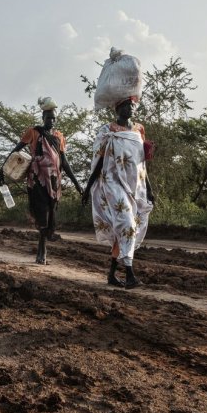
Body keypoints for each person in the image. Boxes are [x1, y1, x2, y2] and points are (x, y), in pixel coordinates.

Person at [0, 97, 83, 264]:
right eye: (48, 117)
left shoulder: (59, 137)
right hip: (37, 180)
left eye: (53, 118)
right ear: (43, 118)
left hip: (54, 181)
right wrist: (1, 170)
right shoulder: (34, 132)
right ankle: (42, 251)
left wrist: (77, 184)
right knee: (42, 213)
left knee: (51, 215)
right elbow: (16, 151)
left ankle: (44, 244)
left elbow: (64, 162)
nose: (51, 120)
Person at [82, 96, 155, 288]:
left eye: (132, 105)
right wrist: (88, 187)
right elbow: (98, 162)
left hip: (134, 184)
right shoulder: (107, 131)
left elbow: (142, 163)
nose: (130, 108)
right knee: (126, 224)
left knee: (121, 231)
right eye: (126, 106)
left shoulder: (139, 129)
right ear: (117, 109)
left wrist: (149, 188)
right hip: (112, 183)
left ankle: (111, 275)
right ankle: (130, 274)